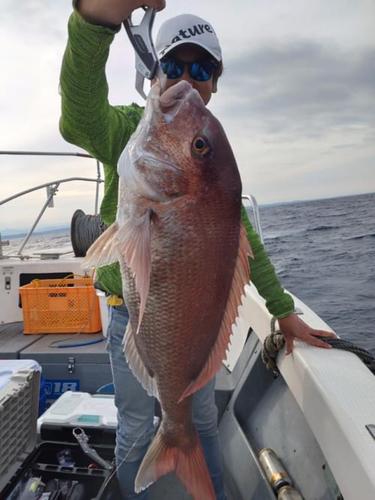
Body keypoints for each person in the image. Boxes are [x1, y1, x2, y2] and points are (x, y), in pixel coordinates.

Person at [59, 1, 335, 498]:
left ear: (215, 80)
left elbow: (243, 245)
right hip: (132, 319)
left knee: (199, 418)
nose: (188, 78)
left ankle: (208, 487)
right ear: (154, 72)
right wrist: (94, 20)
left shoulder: (203, 148)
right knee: (136, 426)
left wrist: (283, 310)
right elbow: (78, 117)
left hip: (196, 336)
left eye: (202, 67)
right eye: (175, 65)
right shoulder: (127, 130)